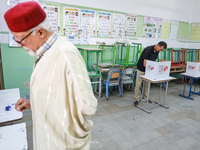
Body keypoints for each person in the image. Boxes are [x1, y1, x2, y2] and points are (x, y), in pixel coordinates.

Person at [4, 1, 97, 150]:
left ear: (40, 32)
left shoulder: (66, 54)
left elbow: (88, 106)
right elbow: (54, 93)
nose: (20, 44)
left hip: (62, 143)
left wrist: (70, 135)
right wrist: (33, 103)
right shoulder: (44, 52)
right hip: (47, 139)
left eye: (21, 39)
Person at [134, 41, 167, 106]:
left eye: (162, 50)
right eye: (160, 49)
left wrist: (153, 69)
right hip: (141, 68)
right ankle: (136, 99)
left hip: (149, 69)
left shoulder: (157, 51)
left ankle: (145, 98)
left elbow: (154, 61)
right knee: (138, 84)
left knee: (147, 84)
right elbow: (145, 63)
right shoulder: (148, 50)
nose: (160, 51)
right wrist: (150, 70)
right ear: (157, 45)